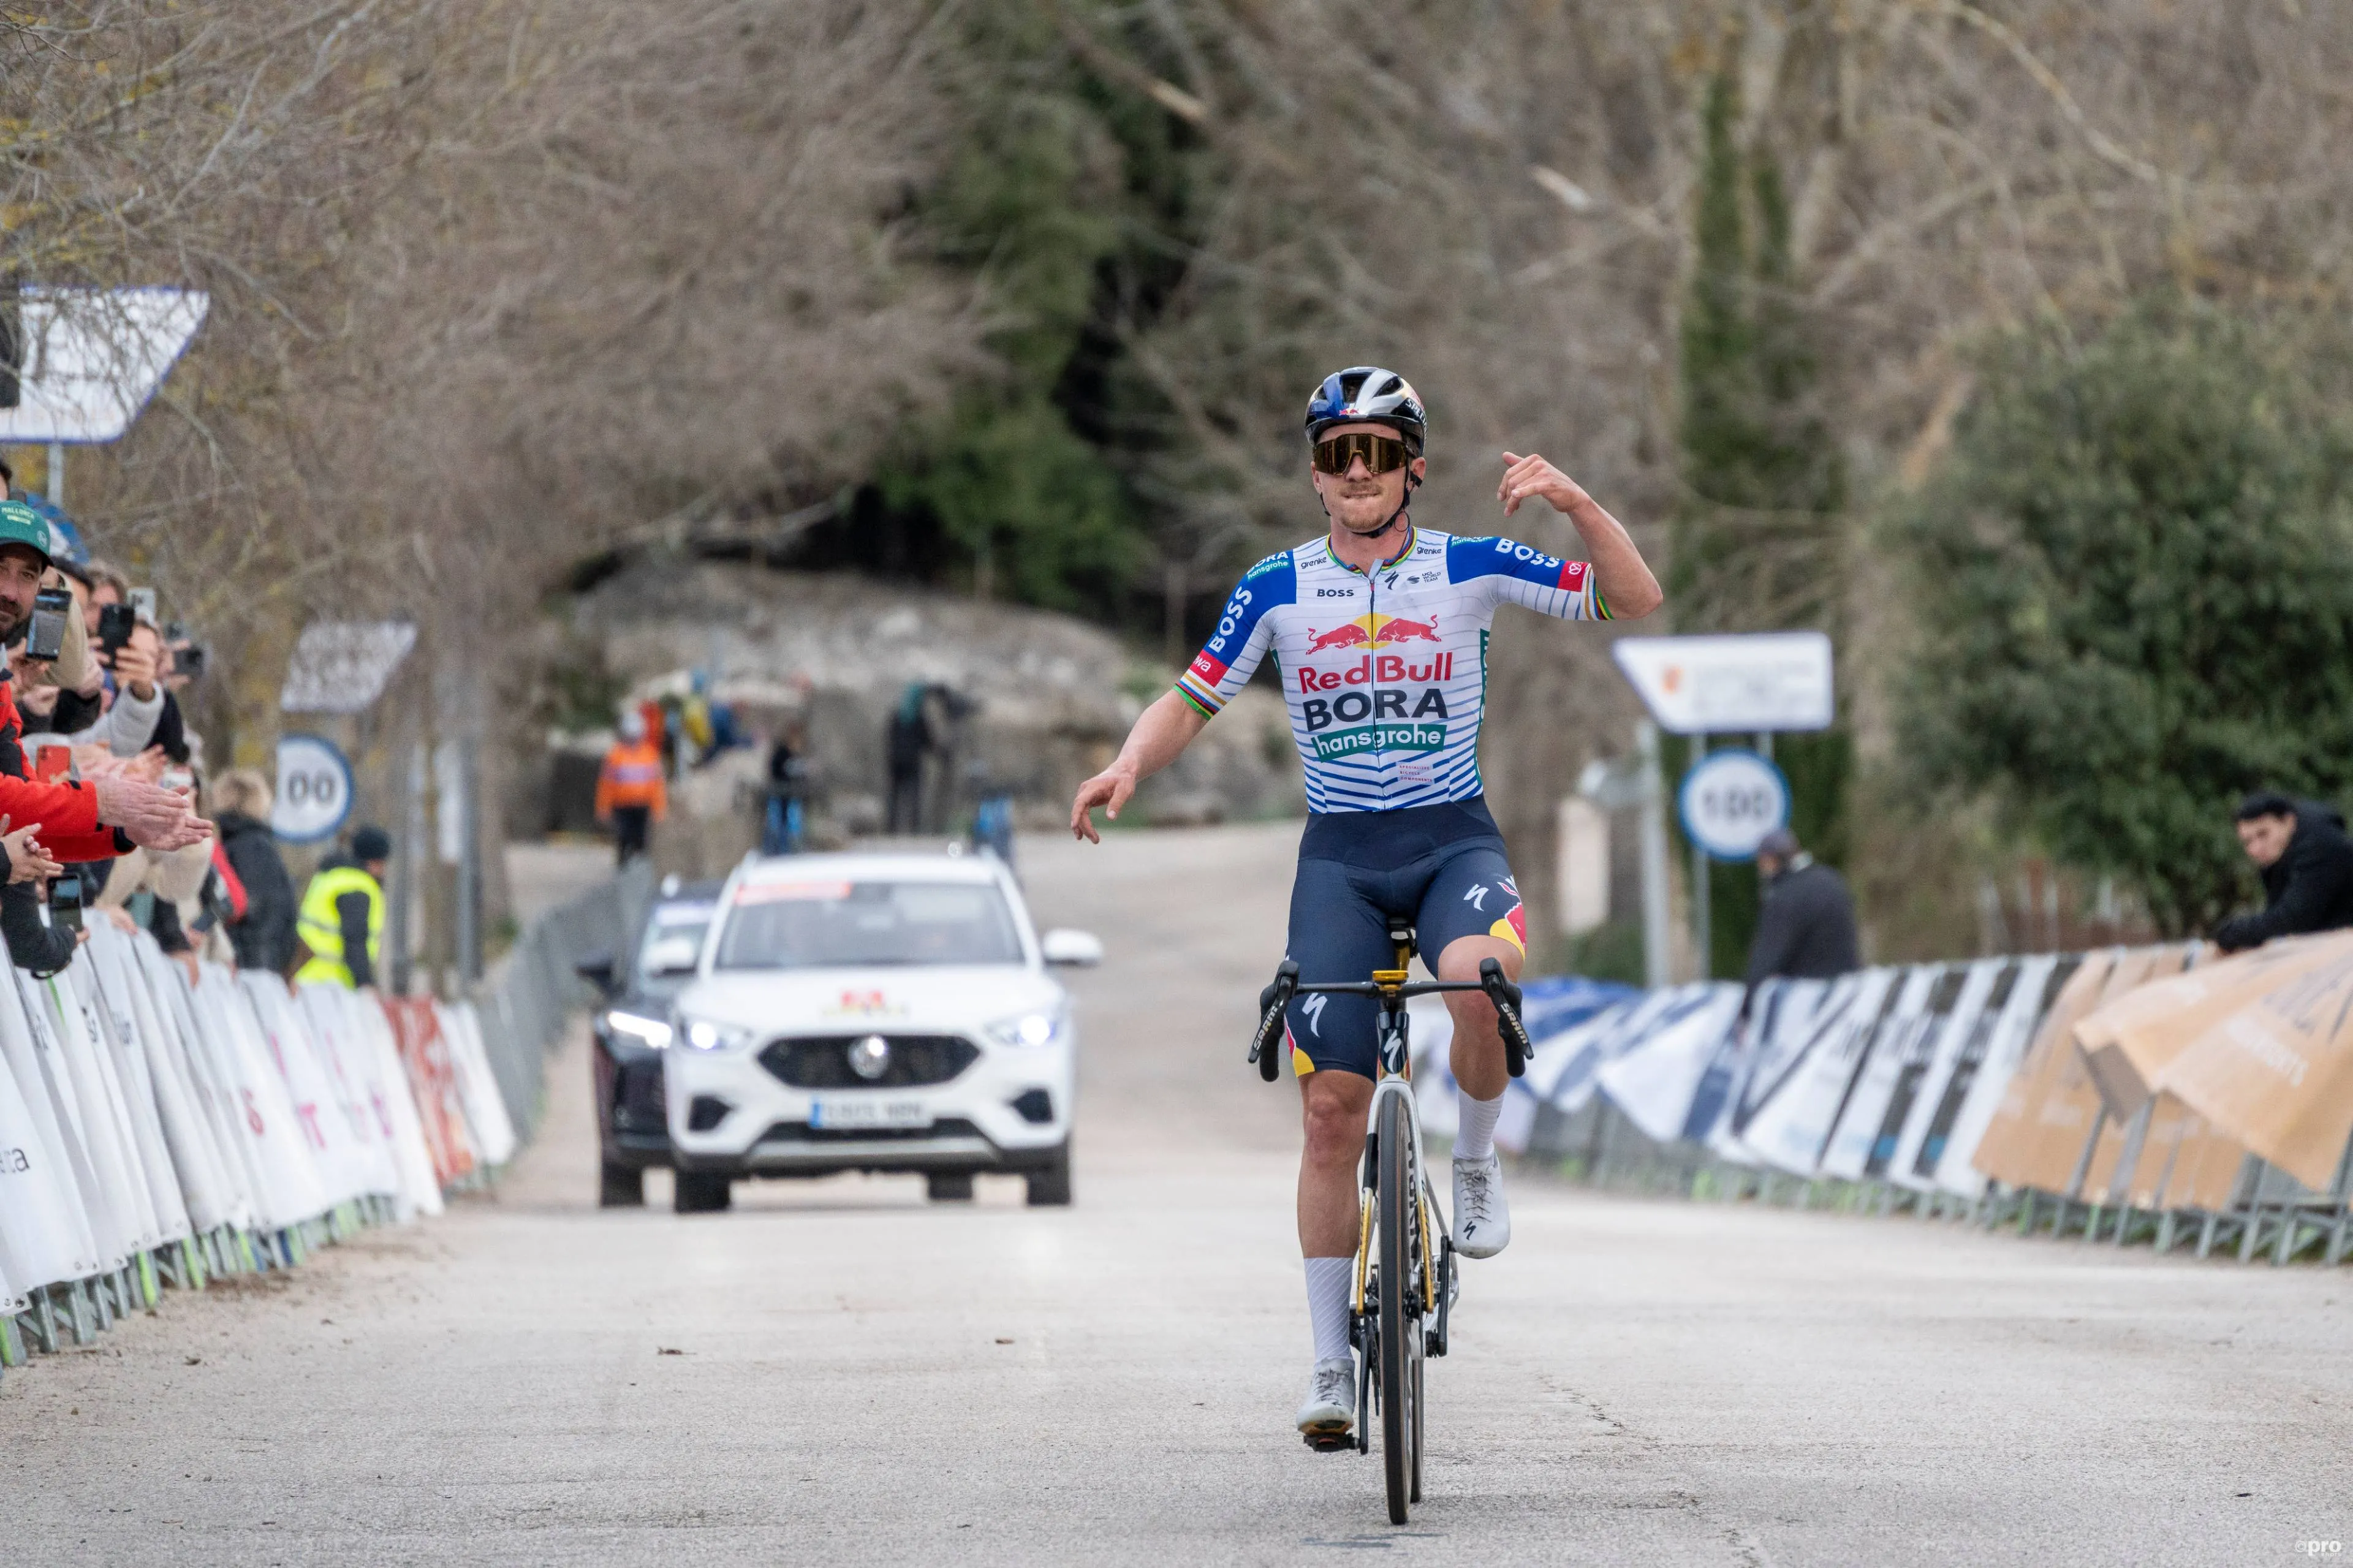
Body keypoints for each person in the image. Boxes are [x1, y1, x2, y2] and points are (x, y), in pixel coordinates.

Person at [1067, 366, 1661, 1440]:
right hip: (1339, 857)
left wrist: (1575, 503)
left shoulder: (1469, 566)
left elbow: (1634, 597)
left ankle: (1473, 1161)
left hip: (1450, 839)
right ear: (1315, 472)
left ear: (1412, 469)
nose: (1356, 470)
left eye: (1377, 451)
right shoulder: (1277, 585)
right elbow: (1194, 694)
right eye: (1337, 451)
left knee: (1483, 981)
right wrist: (1128, 766)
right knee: (1331, 1108)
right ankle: (1331, 1366)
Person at [2213, 792, 2353, 953]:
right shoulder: (2287, 850)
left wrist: (2231, 932)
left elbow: (2293, 920)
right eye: (2248, 841)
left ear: (2288, 822)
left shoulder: (2321, 847)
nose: (2255, 849)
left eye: (2263, 834)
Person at [1742, 828, 1860, 1004]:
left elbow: (1766, 960)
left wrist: (1745, 1007)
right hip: (1848, 996)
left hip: (1806, 1002)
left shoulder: (1785, 895)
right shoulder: (1832, 880)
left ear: (1770, 861)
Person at [209, 768, 300, 972]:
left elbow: (246, 907)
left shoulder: (239, 846)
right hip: (263, 962)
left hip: (246, 964)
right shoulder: (262, 847)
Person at [296, 825, 390, 990]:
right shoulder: (355, 885)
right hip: (328, 985)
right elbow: (355, 938)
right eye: (381, 862)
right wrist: (365, 983)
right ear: (372, 861)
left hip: (307, 978)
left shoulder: (330, 877)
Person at [596, 708, 667, 866]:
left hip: (642, 806)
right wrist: (603, 808)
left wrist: (659, 808)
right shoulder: (615, 756)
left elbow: (657, 786)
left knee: (641, 840)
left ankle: (639, 869)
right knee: (624, 837)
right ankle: (623, 867)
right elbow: (606, 785)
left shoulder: (650, 755)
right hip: (622, 807)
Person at [885, 683, 930, 834]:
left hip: (895, 762)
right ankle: (914, 829)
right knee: (914, 797)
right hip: (912, 763)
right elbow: (927, 741)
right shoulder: (919, 718)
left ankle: (891, 829)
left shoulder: (897, 715)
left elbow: (889, 737)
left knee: (895, 797)